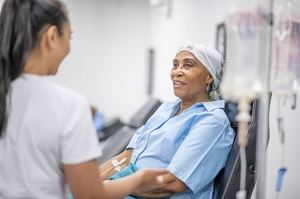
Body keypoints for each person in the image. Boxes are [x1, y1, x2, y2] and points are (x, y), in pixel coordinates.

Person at [0, 0, 170, 199]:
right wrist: (139, 180)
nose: (69, 47)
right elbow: (89, 195)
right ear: (52, 37)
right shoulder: (68, 105)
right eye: (69, 37)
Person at [99, 44, 235, 199]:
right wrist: (89, 183)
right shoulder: (166, 109)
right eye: (175, 65)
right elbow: (126, 158)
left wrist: (110, 187)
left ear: (209, 76)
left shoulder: (212, 122)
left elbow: (171, 183)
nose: (177, 72)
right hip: (129, 189)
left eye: (188, 65)